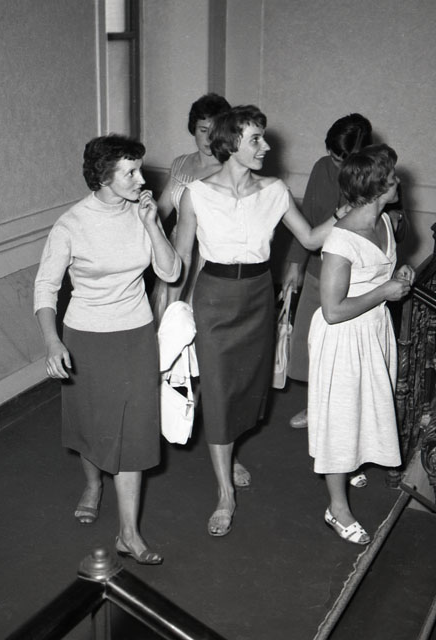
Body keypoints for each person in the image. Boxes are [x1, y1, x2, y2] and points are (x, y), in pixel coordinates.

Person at [167, 105, 338, 537]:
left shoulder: (275, 190)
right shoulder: (196, 194)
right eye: (256, 139)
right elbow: (181, 258)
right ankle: (225, 493)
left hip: (259, 296)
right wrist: (169, 311)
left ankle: (229, 453)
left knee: (245, 388)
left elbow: (310, 238)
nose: (265, 146)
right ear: (231, 144)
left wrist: (350, 208)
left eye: (263, 137)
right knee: (218, 390)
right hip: (214, 298)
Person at [34, 134, 181, 564]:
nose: (141, 179)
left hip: (135, 334)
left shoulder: (142, 212)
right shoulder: (71, 224)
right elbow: (45, 286)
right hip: (86, 336)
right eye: (130, 172)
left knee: (134, 430)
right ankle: (93, 483)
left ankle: (128, 534)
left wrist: (152, 224)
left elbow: (171, 272)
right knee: (92, 424)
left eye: (140, 169)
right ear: (103, 177)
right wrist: (52, 340)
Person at [308, 144, 414, 545]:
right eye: (391, 177)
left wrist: (400, 274)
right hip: (343, 336)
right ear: (376, 188)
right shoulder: (340, 240)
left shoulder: (384, 220)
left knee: (364, 406)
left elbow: (380, 272)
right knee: (340, 419)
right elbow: (333, 310)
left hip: (372, 329)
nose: (398, 181)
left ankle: (351, 461)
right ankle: (336, 508)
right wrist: (385, 291)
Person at [282, 114, 373, 435]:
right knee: (311, 344)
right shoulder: (322, 168)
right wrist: (295, 264)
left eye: (341, 160)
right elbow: (307, 217)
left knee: (346, 352)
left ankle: (347, 416)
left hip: (354, 278)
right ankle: (316, 406)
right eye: (333, 157)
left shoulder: (374, 176)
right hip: (317, 270)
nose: (336, 165)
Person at [151, 93, 231, 316]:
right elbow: (161, 211)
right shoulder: (181, 163)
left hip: (210, 256)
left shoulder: (230, 170)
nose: (209, 138)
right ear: (193, 129)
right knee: (169, 315)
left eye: (216, 131)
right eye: (203, 130)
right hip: (177, 251)